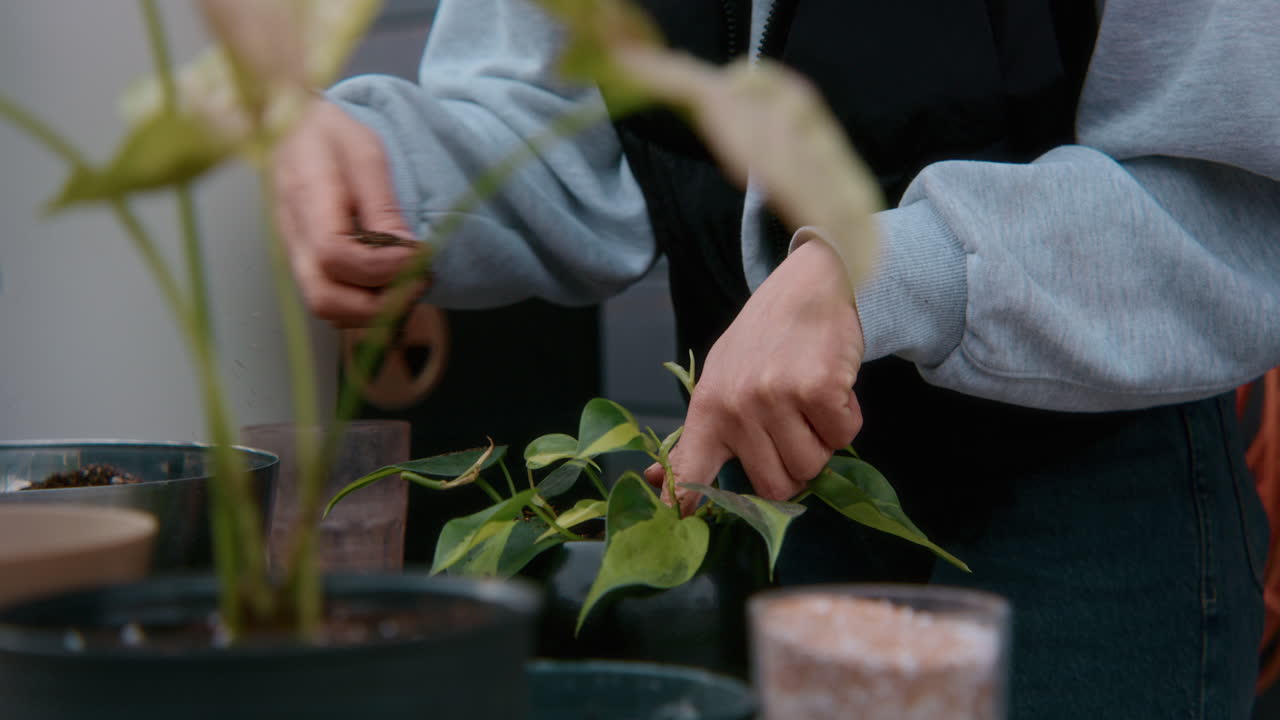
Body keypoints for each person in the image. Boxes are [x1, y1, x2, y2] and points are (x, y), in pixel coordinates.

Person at [272, 1, 1280, 717]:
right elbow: (560, 125)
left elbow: (1233, 198)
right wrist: (380, 166)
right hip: (763, 512)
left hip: (1079, 532)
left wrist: (880, 268)